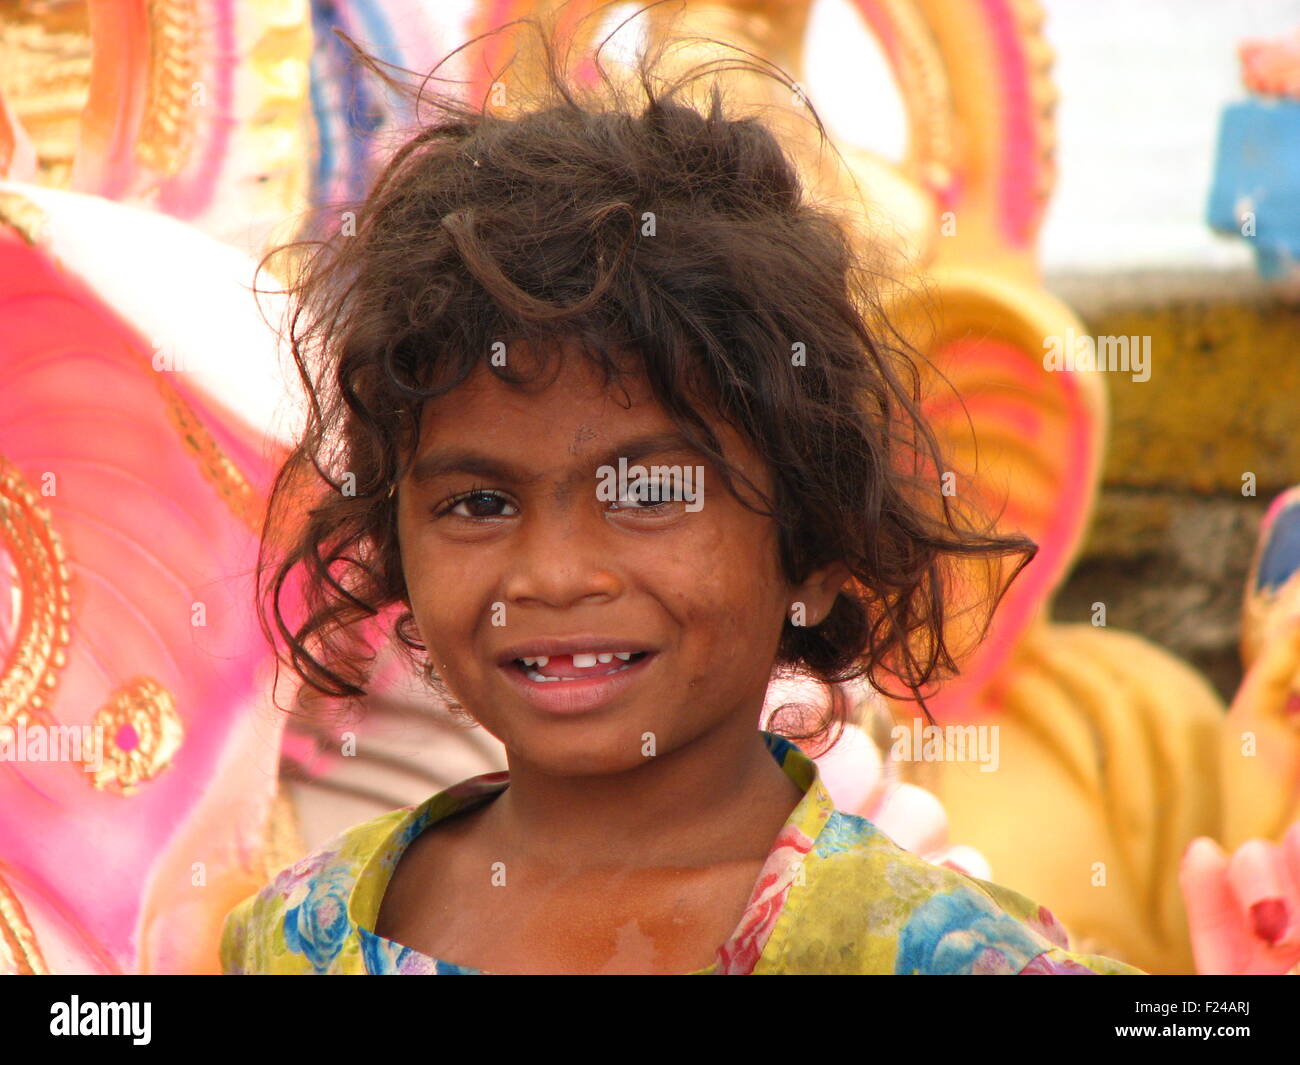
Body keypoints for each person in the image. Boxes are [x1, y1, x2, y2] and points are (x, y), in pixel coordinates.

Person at [219, 13, 1142, 975]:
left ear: (816, 551)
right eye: (480, 504)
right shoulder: (295, 936)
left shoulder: (938, 955)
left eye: (650, 489)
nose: (553, 573)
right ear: (397, 543)